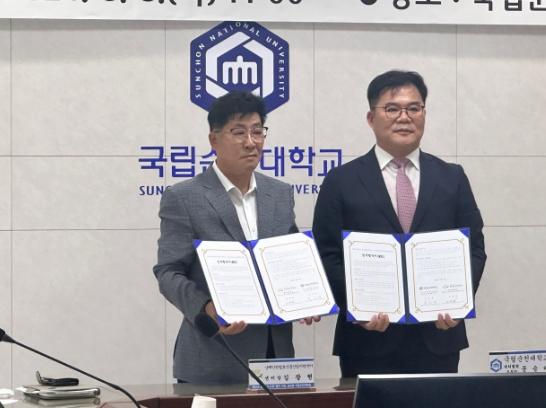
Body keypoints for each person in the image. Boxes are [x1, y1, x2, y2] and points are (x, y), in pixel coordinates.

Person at [312, 70, 487, 376]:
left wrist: (458, 304)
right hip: (366, 339)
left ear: (424, 114)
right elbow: (326, 253)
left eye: (414, 108)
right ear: (371, 118)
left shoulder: (452, 177)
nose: (404, 117)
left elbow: (474, 250)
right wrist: (357, 308)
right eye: (392, 109)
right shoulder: (341, 180)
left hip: (438, 337)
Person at [153, 91, 318, 384]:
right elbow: (168, 272)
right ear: (214, 140)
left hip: (276, 357)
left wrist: (308, 298)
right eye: (239, 132)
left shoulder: (280, 193)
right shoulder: (184, 197)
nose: (251, 142)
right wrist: (207, 308)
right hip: (214, 356)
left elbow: (290, 258)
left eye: (258, 131)